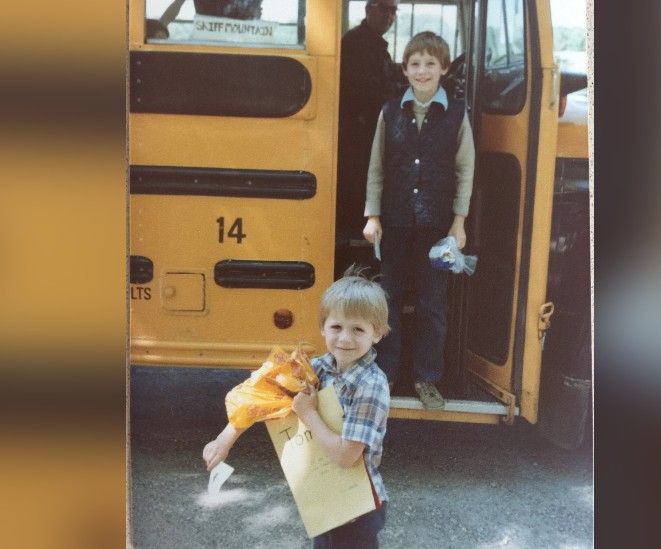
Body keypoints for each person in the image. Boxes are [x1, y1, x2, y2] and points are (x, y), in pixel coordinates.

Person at [203, 266, 392, 547]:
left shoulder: (371, 385)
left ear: (377, 333)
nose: (344, 338)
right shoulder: (317, 368)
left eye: (358, 329)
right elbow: (264, 396)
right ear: (322, 327)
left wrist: (308, 413)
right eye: (336, 327)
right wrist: (226, 438)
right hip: (321, 496)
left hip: (357, 507)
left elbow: (345, 456)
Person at [361, 31, 476, 410]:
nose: (422, 71)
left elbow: (465, 170)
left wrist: (458, 222)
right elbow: (377, 167)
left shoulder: (457, 114)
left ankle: (428, 377)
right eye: (414, 64)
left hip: (437, 228)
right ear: (405, 70)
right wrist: (372, 215)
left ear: (444, 68)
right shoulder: (390, 111)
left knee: (432, 303)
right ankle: (386, 374)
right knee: (389, 298)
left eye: (430, 63)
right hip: (394, 222)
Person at [336, 1, 405, 255]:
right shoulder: (356, 44)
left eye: (393, 11)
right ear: (368, 10)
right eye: (384, 9)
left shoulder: (375, 44)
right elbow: (367, 92)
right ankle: (359, 244)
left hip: (370, 129)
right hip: (358, 133)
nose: (389, 16)